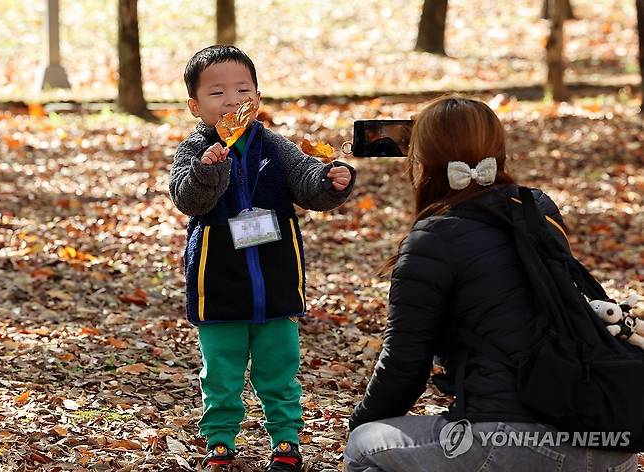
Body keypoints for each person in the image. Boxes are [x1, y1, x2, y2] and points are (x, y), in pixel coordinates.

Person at [344, 96, 637, 472]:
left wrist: (364, 420)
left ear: (423, 164)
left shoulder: (433, 237)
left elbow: (404, 364)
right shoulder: (538, 209)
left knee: (364, 446)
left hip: (509, 440)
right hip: (605, 439)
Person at [169, 45, 355, 472]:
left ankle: (286, 439)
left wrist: (332, 181)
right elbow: (188, 199)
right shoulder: (193, 150)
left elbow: (306, 182)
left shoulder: (275, 145)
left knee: (279, 365)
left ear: (257, 96)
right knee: (221, 370)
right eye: (218, 93)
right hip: (218, 281)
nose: (232, 101)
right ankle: (219, 439)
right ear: (195, 106)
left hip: (275, 277)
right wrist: (208, 168)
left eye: (242, 90)